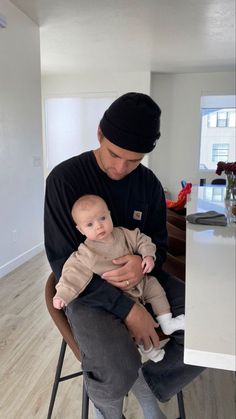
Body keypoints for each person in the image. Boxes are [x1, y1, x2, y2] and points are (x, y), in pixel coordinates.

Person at [44, 92, 204, 419]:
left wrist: (144, 261)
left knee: (211, 331)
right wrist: (128, 310)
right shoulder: (64, 179)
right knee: (116, 368)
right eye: (115, 154)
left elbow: (159, 242)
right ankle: (110, 409)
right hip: (88, 288)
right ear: (100, 134)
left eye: (134, 160)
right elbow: (62, 260)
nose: (121, 168)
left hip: (145, 280)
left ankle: (148, 383)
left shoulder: (148, 185)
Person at [53, 194, 185, 363]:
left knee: (157, 289)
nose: (99, 226)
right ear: (80, 229)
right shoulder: (86, 253)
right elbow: (72, 275)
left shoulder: (123, 233)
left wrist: (148, 256)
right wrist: (62, 295)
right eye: (90, 224)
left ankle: (167, 322)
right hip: (123, 293)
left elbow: (142, 240)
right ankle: (150, 349)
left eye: (102, 218)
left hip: (142, 281)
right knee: (136, 322)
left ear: (109, 215)